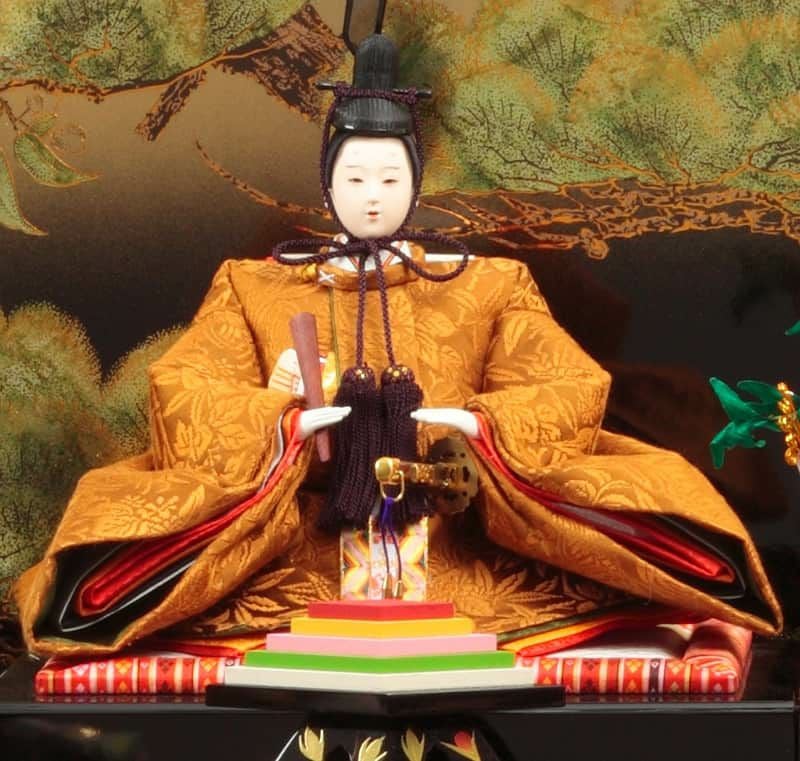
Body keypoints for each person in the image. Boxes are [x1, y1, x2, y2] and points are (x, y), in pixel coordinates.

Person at [16, 34, 781, 659]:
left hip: (455, 545)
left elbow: (565, 381)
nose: (373, 195)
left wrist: (482, 425)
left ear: (416, 182)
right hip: (303, 551)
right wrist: (279, 419)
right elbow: (184, 387)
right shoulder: (254, 286)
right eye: (355, 176)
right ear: (328, 184)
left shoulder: (487, 284)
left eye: (390, 176)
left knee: (629, 554)